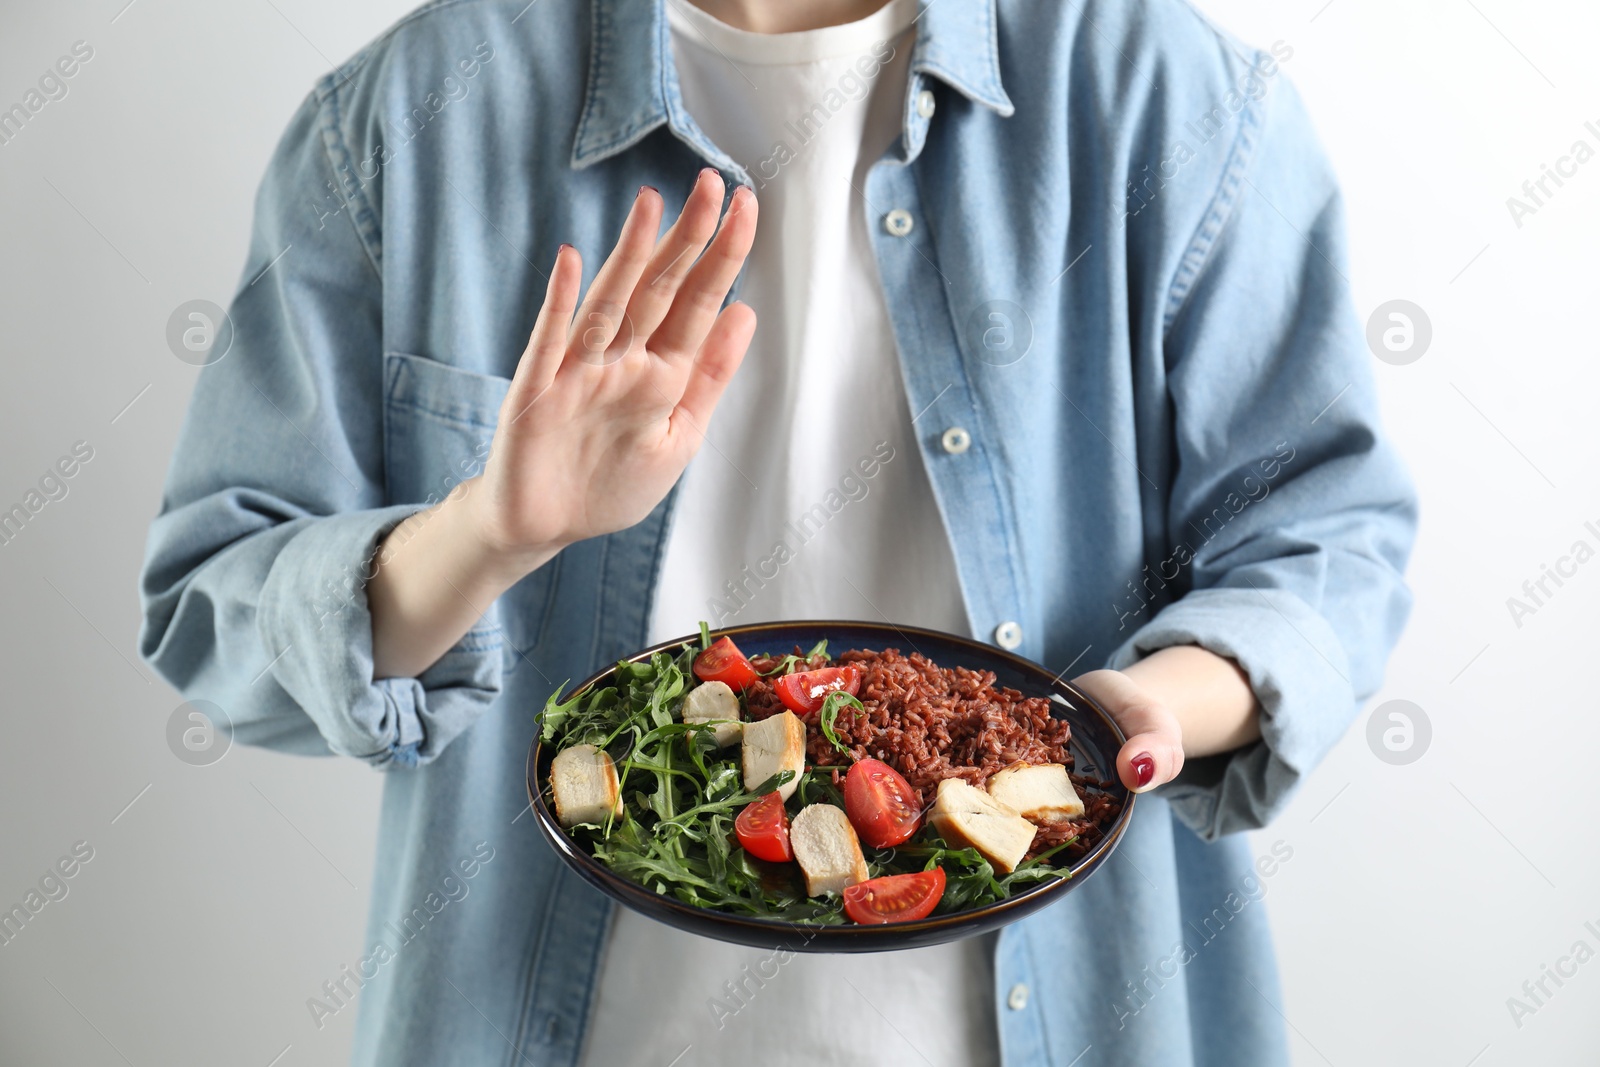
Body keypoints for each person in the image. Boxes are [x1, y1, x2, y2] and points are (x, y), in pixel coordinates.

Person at [138, 0, 1416, 1063]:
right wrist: (484, 532)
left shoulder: (1158, 93)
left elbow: (1323, 529)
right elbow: (214, 609)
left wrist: (1150, 704)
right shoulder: (411, 115)